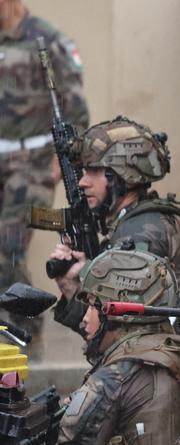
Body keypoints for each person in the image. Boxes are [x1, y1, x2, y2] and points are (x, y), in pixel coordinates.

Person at [2, 249, 180, 445]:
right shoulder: (178, 350)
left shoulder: (113, 379)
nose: (85, 319)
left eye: (92, 306)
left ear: (116, 313)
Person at [49, 116, 180, 335]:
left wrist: (91, 278)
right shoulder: (148, 220)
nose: (83, 182)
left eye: (93, 171)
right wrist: (74, 287)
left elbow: (119, 334)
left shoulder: (139, 235)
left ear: (121, 177)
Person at [0, 0, 88, 324]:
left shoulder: (47, 41)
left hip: (32, 164)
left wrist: (62, 159)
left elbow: (75, 107)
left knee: (8, 246)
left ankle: (22, 329)